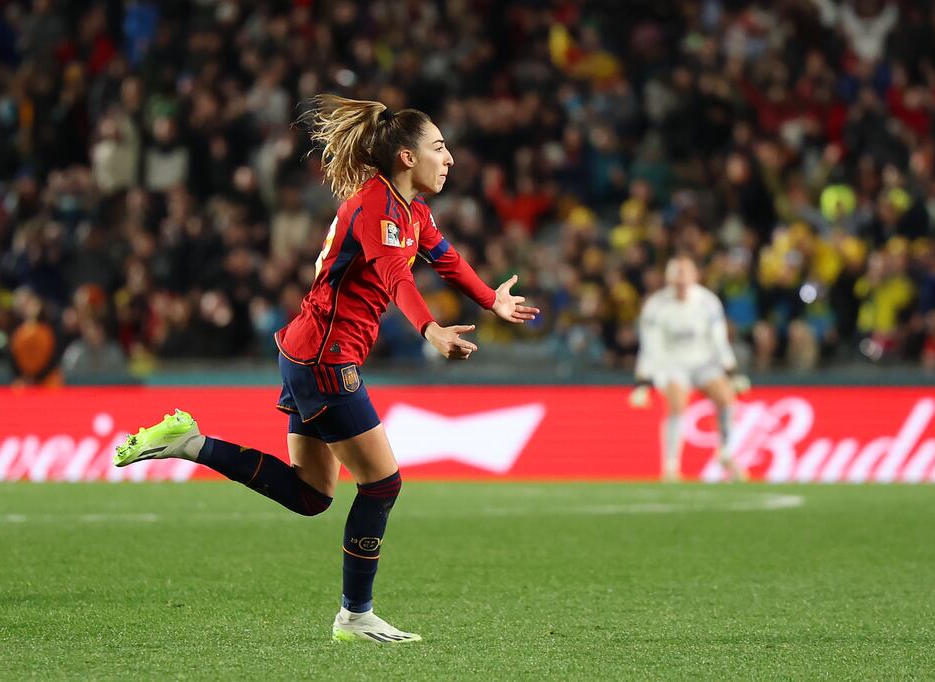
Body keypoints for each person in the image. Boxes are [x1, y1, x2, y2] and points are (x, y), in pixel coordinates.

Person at [113, 95, 539, 643]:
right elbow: (396, 277)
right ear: (407, 157)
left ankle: (190, 443)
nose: (450, 157)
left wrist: (490, 301)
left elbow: (445, 259)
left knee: (312, 493)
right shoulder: (376, 208)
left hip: (307, 351)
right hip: (326, 359)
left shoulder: (411, 211)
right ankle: (355, 615)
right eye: (439, 146)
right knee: (383, 485)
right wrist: (430, 329)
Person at [628, 255, 748, 482]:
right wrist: (642, 381)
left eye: (685, 273)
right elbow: (649, 346)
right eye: (676, 274)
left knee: (725, 397)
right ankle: (671, 467)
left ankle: (725, 453)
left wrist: (732, 372)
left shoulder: (708, 302)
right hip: (671, 363)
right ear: (668, 278)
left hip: (703, 361)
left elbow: (719, 341)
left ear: (695, 276)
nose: (681, 279)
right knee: (677, 403)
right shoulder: (656, 306)